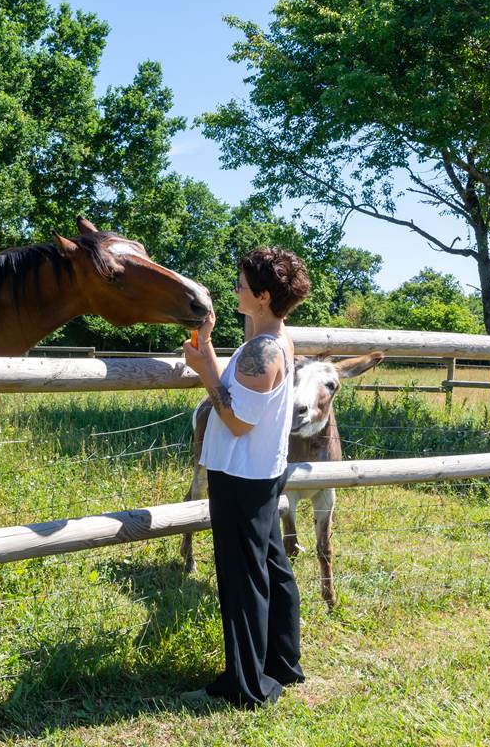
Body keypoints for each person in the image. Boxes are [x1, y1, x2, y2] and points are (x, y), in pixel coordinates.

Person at [180, 246, 312, 708]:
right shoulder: (273, 337)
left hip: (240, 474)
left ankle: (247, 685)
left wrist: (201, 373)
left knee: (242, 577)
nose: (233, 287)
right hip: (261, 470)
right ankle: (281, 662)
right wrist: (209, 346)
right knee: (271, 566)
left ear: (260, 295)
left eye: (240, 283)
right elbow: (238, 390)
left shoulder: (263, 351)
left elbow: (237, 421)